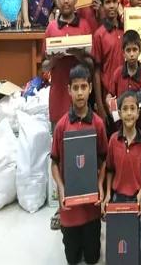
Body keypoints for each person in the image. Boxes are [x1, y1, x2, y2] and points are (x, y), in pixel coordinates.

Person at [50, 64, 108, 265]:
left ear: (90, 88)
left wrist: (100, 185)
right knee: (72, 259)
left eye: (84, 87)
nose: (80, 93)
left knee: (92, 259)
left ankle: (91, 240)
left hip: (91, 209)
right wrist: (61, 189)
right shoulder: (61, 126)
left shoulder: (98, 124)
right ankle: (72, 239)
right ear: (69, 90)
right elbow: (54, 163)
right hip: (70, 211)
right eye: (75, 88)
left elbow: (104, 159)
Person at [103, 90, 141, 265]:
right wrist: (108, 194)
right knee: (119, 242)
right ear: (119, 113)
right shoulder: (113, 140)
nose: (129, 113)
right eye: (125, 109)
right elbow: (109, 169)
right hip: (118, 197)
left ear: (138, 113)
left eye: (132, 109)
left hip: (136, 198)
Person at [91, 0, 123, 125]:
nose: (111, 6)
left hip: (127, 95)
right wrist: (100, 105)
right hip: (109, 98)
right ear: (102, 6)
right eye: (107, 2)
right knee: (113, 133)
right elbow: (96, 72)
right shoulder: (99, 35)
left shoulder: (126, 29)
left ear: (118, 3)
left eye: (114, 2)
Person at [109, 30, 141, 135]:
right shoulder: (117, 73)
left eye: (134, 49)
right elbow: (110, 95)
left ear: (140, 51)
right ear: (123, 52)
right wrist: (110, 104)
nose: (131, 54)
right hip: (120, 127)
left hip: (139, 129)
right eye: (128, 50)